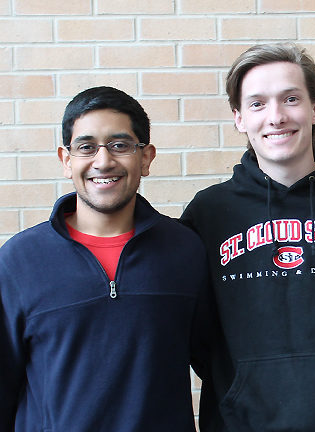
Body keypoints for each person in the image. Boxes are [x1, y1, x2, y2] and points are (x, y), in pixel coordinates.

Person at [180, 42, 315, 431]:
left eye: (290, 99)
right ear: (238, 118)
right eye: (257, 104)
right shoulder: (208, 214)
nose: (276, 117)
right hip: (240, 423)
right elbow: (194, 330)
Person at [0, 86, 212, 431]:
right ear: (66, 160)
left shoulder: (185, 251)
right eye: (86, 147)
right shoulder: (19, 261)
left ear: (146, 158)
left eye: (120, 145)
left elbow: (218, 365)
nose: (103, 161)